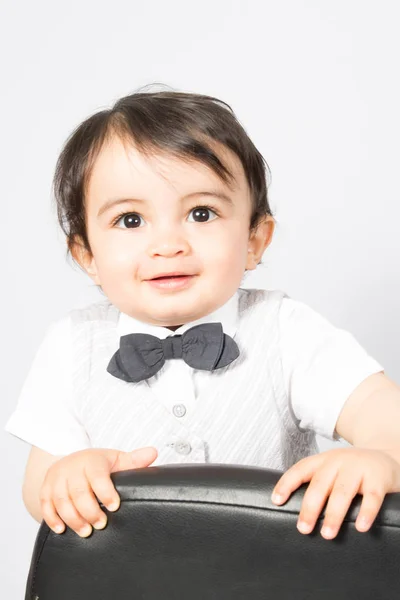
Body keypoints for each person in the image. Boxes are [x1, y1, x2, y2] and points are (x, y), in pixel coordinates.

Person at [5, 86, 400, 544]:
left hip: (274, 579)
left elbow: (383, 414)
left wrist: (381, 456)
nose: (169, 244)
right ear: (87, 253)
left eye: (201, 212)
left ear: (255, 239)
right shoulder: (71, 345)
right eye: (131, 220)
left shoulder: (285, 330)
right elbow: (38, 488)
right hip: (124, 582)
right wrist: (67, 477)